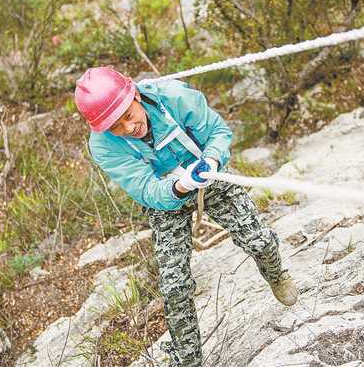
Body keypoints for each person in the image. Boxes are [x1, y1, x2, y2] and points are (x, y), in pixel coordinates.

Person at [74, 66, 298, 367]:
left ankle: (276, 275)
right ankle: (188, 360)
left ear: (136, 95)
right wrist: (180, 187)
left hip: (209, 173)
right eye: (116, 126)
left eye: (129, 115)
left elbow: (218, 131)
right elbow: (144, 188)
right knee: (174, 286)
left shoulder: (175, 96)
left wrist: (211, 159)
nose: (128, 128)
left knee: (259, 241)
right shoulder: (102, 146)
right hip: (165, 200)